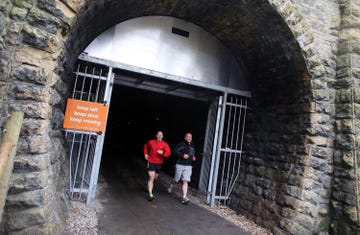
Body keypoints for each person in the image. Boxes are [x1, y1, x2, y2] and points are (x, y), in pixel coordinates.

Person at [168, 133, 196, 204]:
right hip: (180, 164)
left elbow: (192, 154)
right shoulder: (181, 144)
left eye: (191, 137)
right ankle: (171, 184)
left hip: (188, 166)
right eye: (188, 137)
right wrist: (182, 155)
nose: (189, 138)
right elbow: (175, 151)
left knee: (185, 181)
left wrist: (193, 157)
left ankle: (184, 197)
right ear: (185, 138)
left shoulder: (193, 145)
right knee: (176, 180)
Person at [143, 131, 171, 201]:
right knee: (151, 176)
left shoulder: (165, 144)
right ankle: (150, 194)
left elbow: (168, 153)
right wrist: (145, 154)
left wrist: (163, 153)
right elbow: (145, 146)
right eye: (158, 135)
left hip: (159, 163)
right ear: (156, 135)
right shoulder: (151, 142)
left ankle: (148, 183)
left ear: (162, 136)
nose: (159, 136)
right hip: (151, 161)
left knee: (155, 177)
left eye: (161, 135)